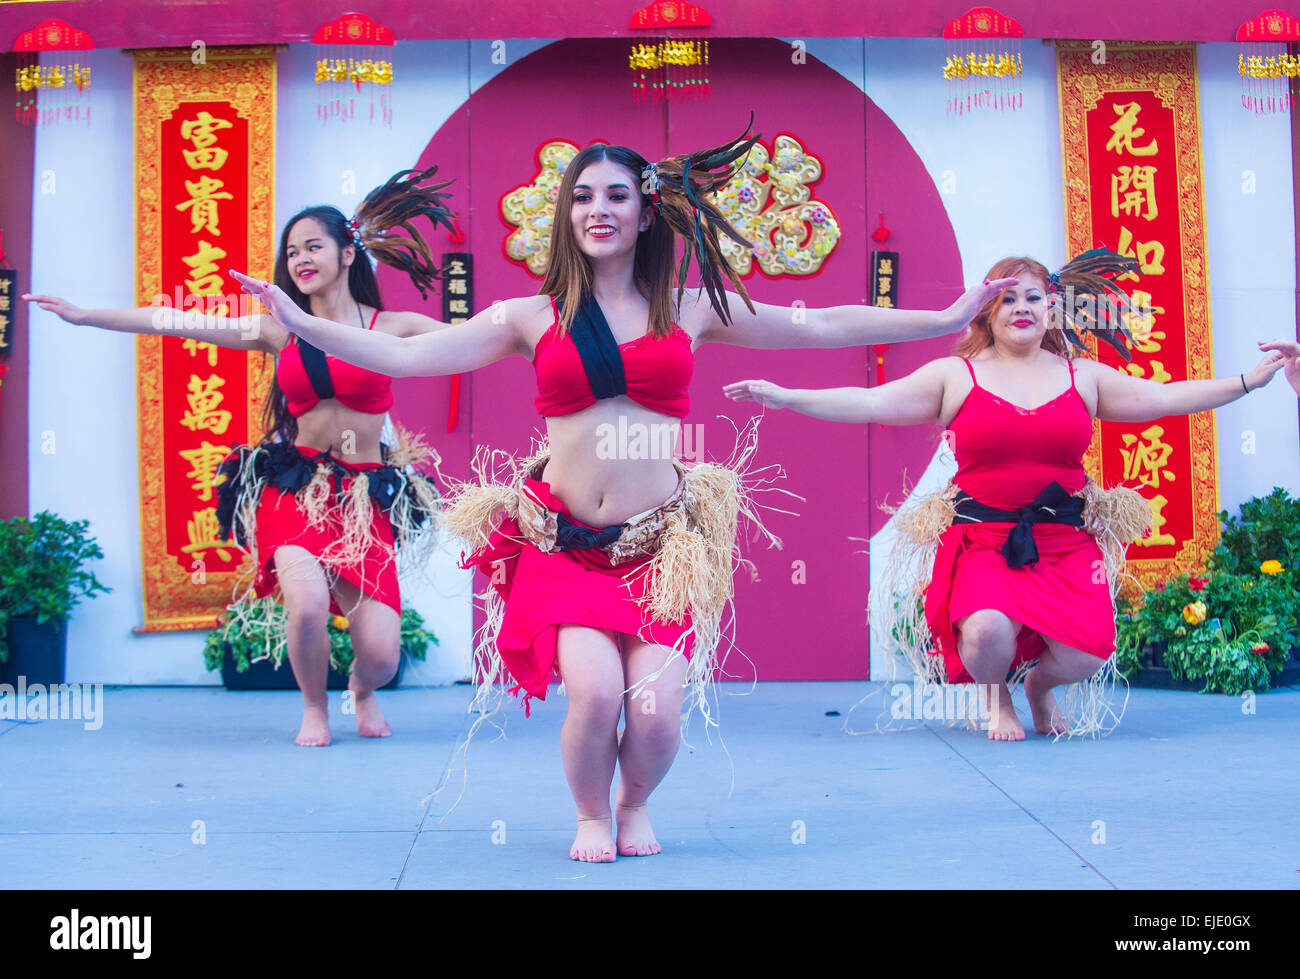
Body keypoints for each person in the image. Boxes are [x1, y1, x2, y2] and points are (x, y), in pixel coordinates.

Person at [232, 127, 1014, 860]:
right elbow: (404, 359)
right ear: (565, 214)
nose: (596, 210)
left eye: (614, 196)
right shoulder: (530, 315)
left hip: (659, 548)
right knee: (597, 693)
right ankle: (591, 811)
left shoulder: (691, 307)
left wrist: (944, 315)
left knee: (654, 714)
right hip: (564, 546)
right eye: (581, 196)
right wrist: (301, 321)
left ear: (645, 213)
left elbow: (819, 325)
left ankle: (636, 798)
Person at [725, 253, 1287, 741]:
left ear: (1052, 309)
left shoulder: (1083, 377)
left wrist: (1248, 381)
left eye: (1034, 297)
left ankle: (1040, 687)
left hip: (1064, 540)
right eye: (1007, 297)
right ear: (986, 312)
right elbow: (870, 403)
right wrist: (788, 396)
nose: (1022, 307)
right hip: (984, 540)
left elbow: (1165, 398)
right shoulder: (955, 375)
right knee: (989, 629)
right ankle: (996, 697)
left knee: (1090, 652)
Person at [24, 166, 455, 747]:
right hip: (296, 484)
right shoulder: (279, 330)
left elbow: (476, 338)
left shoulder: (391, 326)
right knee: (303, 606)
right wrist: (85, 314)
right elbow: (173, 321)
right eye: (292, 250)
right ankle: (314, 709)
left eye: (314, 246)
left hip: (363, 495)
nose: (300, 258)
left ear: (348, 252)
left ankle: (360, 689)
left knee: (379, 652)